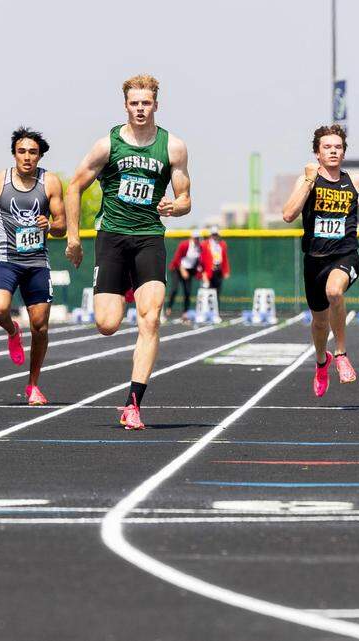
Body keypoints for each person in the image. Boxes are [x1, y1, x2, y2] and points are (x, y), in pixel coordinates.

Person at [64, 74, 192, 429]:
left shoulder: (173, 147)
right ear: (126, 106)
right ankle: (118, 291)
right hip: (112, 237)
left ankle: (133, 403)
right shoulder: (107, 145)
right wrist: (73, 238)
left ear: (156, 105)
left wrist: (175, 207)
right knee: (107, 324)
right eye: (134, 103)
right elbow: (73, 187)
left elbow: (185, 198)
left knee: (151, 318)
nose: (140, 109)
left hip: (149, 237)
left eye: (146, 103)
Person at [282, 124, 359, 397]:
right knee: (319, 323)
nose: (333, 151)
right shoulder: (307, 180)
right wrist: (308, 181)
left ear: (343, 152)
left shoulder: (356, 181)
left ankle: (340, 354)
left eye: (338, 147)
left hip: (346, 255)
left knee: (334, 291)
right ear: (317, 153)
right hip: (314, 261)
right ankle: (322, 361)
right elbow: (288, 214)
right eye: (327, 147)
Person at [0, 127, 66, 405]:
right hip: (5, 258)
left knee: (40, 327)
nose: (27, 157)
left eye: (33, 152)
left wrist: (50, 225)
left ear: (40, 156)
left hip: (37, 262)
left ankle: (33, 385)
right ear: (14, 154)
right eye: (22, 152)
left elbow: (62, 225)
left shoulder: (50, 182)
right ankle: (12, 331)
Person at [166, 229, 208, 316]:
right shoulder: (184, 245)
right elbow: (177, 259)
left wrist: (202, 273)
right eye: (195, 238)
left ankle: (185, 312)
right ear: (191, 238)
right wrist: (182, 270)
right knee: (174, 289)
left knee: (187, 291)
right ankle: (169, 308)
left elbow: (200, 262)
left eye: (198, 238)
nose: (197, 240)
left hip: (189, 270)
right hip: (177, 269)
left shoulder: (200, 247)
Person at [206, 225, 230, 296]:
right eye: (213, 234)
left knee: (218, 290)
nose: (214, 236)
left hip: (218, 269)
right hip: (209, 270)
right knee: (209, 290)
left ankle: (216, 303)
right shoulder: (206, 244)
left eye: (216, 234)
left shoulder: (222, 244)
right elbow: (203, 258)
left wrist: (226, 271)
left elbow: (225, 258)